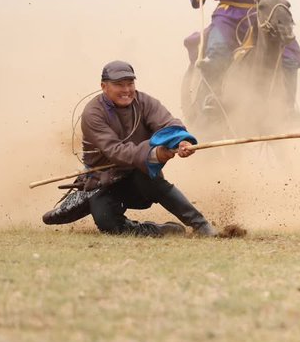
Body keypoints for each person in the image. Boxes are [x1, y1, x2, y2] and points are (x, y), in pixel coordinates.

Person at [79, 61, 214, 236]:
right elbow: (115, 151)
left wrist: (181, 141)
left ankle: (201, 225)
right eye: (119, 85)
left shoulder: (144, 102)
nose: (126, 90)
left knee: (153, 182)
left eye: (130, 84)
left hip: (139, 173)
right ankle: (155, 230)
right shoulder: (93, 113)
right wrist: (154, 154)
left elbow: (168, 124)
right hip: (103, 180)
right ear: (104, 86)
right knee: (109, 224)